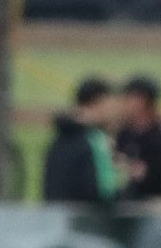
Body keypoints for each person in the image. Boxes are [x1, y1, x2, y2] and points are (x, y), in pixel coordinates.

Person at [40, 77, 121, 205]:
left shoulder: (58, 138)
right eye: (111, 105)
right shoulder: (97, 142)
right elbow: (106, 193)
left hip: (57, 219)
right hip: (86, 222)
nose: (114, 112)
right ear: (98, 101)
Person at [114, 74, 161, 202]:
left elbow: (146, 173)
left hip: (152, 202)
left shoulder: (159, 137)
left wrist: (125, 165)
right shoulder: (124, 132)